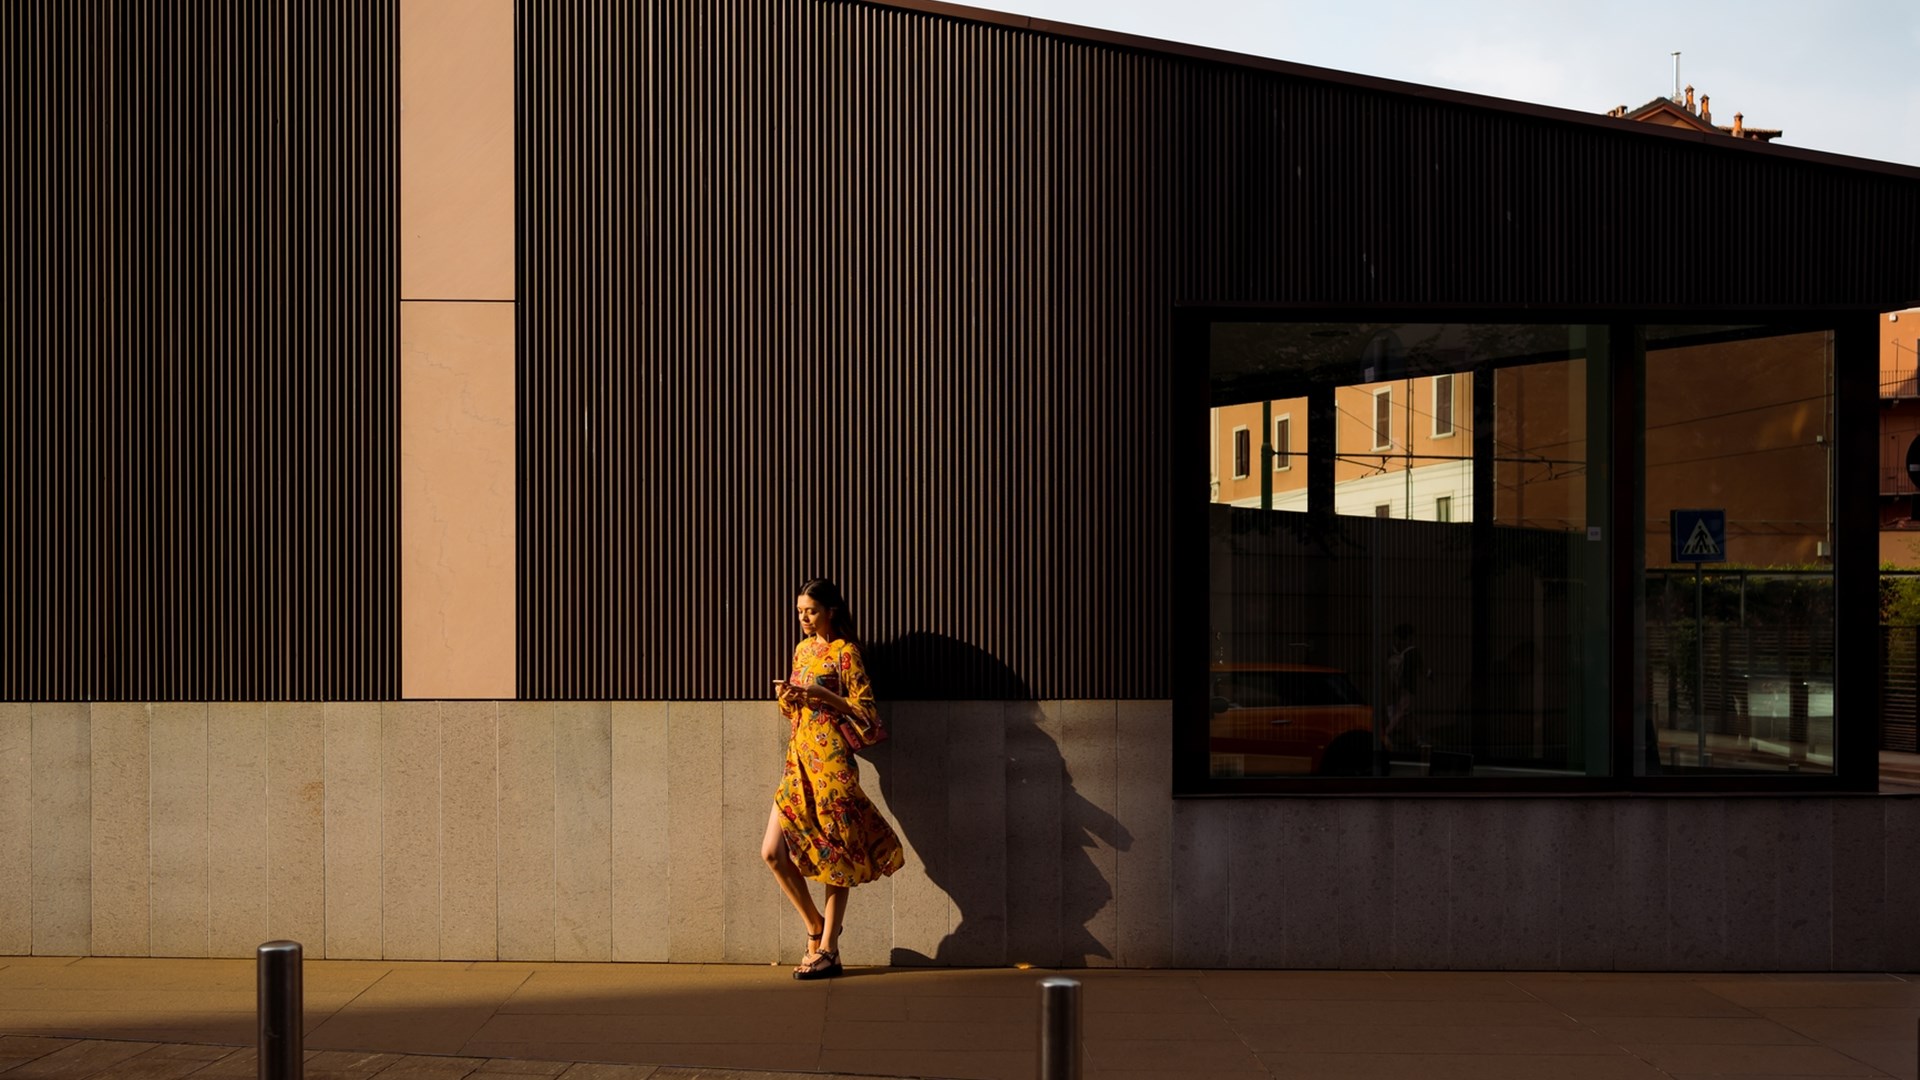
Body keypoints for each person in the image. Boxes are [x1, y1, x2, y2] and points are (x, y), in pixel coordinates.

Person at [764, 577, 904, 980]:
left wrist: (825, 696)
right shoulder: (802, 650)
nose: (804, 618)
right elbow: (794, 713)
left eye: (811, 611)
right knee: (772, 852)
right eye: (800, 611)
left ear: (830, 612)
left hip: (833, 766)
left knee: (835, 857)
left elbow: (867, 713)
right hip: (798, 762)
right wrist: (789, 697)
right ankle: (815, 927)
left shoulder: (846, 654)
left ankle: (828, 950)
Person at [1381, 622, 1426, 752]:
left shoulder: (1393, 651)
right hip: (1408, 688)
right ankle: (1385, 733)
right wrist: (1429, 674)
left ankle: (1415, 739)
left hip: (1396, 686)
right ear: (1410, 637)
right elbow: (1422, 669)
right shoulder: (1413, 652)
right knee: (1401, 712)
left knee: (1407, 713)